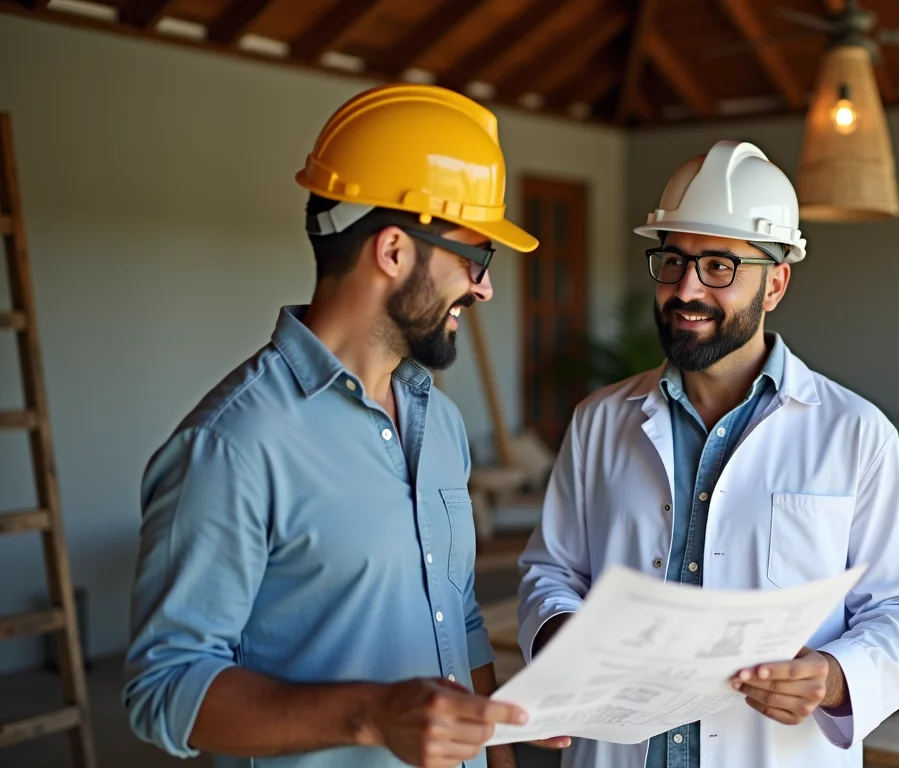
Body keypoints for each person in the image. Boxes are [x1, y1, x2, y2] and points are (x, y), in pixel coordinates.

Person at [123, 84, 567, 768]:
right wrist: (371, 715)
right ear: (394, 251)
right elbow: (164, 689)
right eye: (475, 258)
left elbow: (460, 621)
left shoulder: (441, 424)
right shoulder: (231, 446)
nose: (484, 287)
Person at [516, 140, 899, 767]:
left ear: (775, 284)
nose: (686, 288)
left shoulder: (856, 432)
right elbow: (551, 572)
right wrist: (563, 635)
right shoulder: (599, 421)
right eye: (673, 260)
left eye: (719, 265)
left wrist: (833, 678)